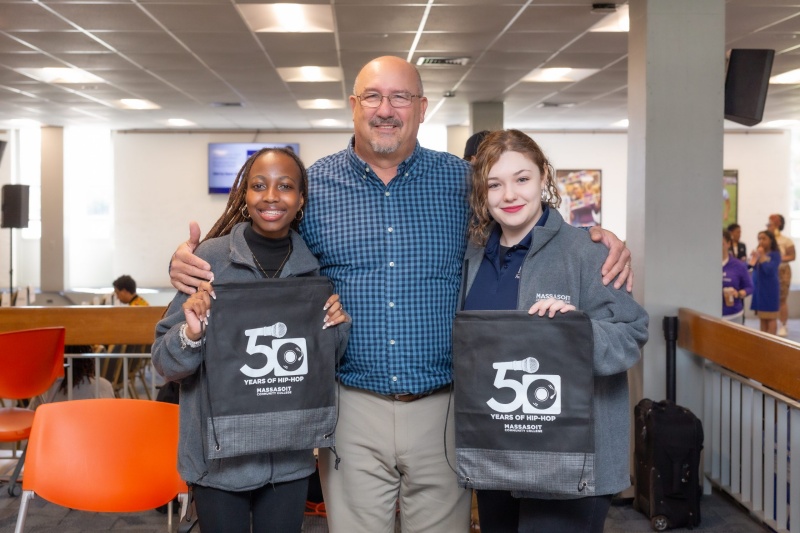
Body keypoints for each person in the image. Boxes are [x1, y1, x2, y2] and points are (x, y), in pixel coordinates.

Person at [167, 56, 634, 533]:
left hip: (446, 408)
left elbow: (525, 226)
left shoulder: (463, 183)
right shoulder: (316, 187)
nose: (385, 109)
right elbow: (261, 238)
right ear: (353, 105)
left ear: (422, 107)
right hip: (351, 407)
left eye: (400, 97)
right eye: (373, 96)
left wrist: (595, 240)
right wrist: (188, 258)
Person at [152, 147, 350, 533]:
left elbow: (325, 364)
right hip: (219, 461)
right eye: (259, 185)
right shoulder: (210, 260)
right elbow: (165, 361)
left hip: (289, 458)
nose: (272, 196)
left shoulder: (316, 268)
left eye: (285, 186)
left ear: (301, 199)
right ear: (245, 196)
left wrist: (337, 327)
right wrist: (192, 333)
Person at [461, 129, 648, 533]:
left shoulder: (588, 251)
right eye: (495, 184)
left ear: (545, 176)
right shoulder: (473, 256)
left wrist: (575, 332)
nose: (509, 194)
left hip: (570, 461)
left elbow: (632, 334)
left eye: (522, 179)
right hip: (499, 451)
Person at [30, 346, 115, 408]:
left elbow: (33, 420)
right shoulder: (104, 386)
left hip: (57, 432)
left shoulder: (46, 389)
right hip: (95, 431)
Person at [767, 214, 795, 336]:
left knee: (782, 299)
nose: (770, 225)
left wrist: (778, 258)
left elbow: (792, 256)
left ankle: (783, 325)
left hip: (782, 271)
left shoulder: (786, 241)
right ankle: (768, 322)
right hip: (769, 271)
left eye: (773, 223)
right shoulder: (766, 239)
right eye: (769, 223)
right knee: (769, 298)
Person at [749, 230, 781, 335]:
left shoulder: (775, 254)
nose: (761, 241)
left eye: (764, 238)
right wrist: (753, 258)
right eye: (759, 239)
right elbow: (749, 267)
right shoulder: (759, 253)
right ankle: (764, 342)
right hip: (759, 289)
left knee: (771, 318)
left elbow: (769, 270)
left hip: (770, 289)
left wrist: (762, 256)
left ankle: (771, 343)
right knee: (762, 318)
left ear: (771, 240)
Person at [722, 229, 753, 322]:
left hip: (732, 315)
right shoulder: (706, 265)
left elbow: (749, 287)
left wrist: (738, 293)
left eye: (721, 243)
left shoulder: (738, 265)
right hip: (710, 314)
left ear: (728, 244)